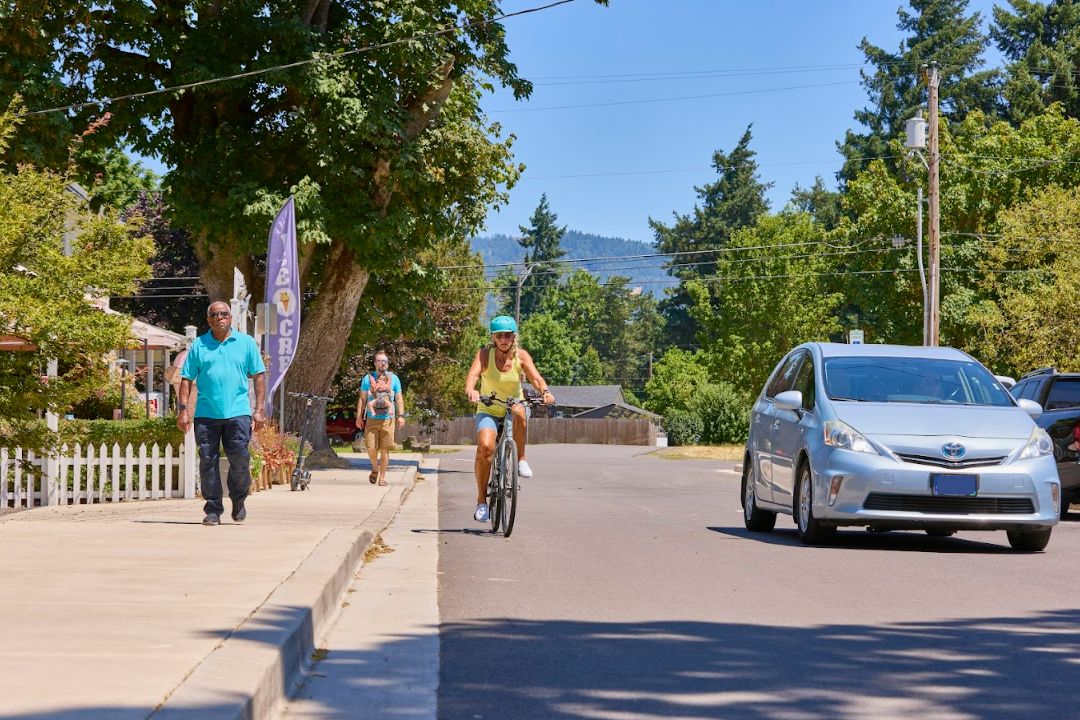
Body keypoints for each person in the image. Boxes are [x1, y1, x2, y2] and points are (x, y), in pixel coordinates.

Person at [176, 301, 266, 526]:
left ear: (231, 318)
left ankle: (238, 500)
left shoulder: (245, 343)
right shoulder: (199, 345)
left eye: (224, 314)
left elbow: (259, 376)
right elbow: (186, 379)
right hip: (206, 415)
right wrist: (183, 410)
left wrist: (259, 411)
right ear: (209, 320)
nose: (219, 318)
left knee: (240, 460)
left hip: (238, 413)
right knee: (208, 461)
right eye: (214, 315)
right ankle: (213, 508)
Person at [464, 315, 554, 523]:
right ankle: (481, 502)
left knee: (519, 411)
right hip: (489, 408)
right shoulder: (485, 355)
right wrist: (471, 390)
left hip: (513, 405)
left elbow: (536, 378)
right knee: (485, 448)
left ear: (514, 337)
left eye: (507, 336)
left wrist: (545, 391)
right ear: (493, 338)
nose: (503, 339)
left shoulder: (521, 356)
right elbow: (473, 376)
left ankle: (521, 459)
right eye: (499, 336)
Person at [355, 350, 405, 486]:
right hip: (371, 419)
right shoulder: (367, 379)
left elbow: (399, 398)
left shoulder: (394, 379)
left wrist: (401, 415)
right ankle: (375, 468)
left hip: (388, 420)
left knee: (385, 449)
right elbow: (363, 398)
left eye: (385, 361)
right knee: (370, 447)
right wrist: (359, 416)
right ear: (375, 363)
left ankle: (382, 478)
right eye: (380, 361)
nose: (383, 363)